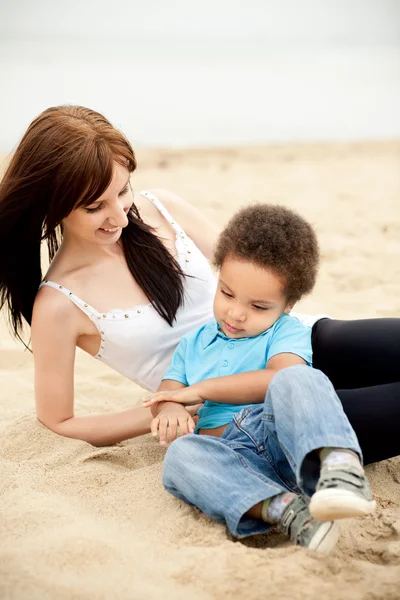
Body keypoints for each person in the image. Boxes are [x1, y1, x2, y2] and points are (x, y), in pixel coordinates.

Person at [0, 105, 398, 461]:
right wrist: (162, 406)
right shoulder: (58, 304)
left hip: (298, 344)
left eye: (122, 191)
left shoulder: (162, 208)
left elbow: (250, 269)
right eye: (94, 207)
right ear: (53, 205)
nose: (120, 217)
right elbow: (59, 421)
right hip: (245, 413)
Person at [143, 204, 376, 553]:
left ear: (288, 305)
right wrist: (169, 410)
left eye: (259, 306)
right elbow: (168, 393)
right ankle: (284, 510)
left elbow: (278, 378)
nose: (236, 313)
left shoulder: (285, 332)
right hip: (230, 455)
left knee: (296, 378)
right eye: (226, 294)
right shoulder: (194, 342)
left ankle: (340, 469)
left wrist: (202, 390)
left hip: (280, 437)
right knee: (180, 457)